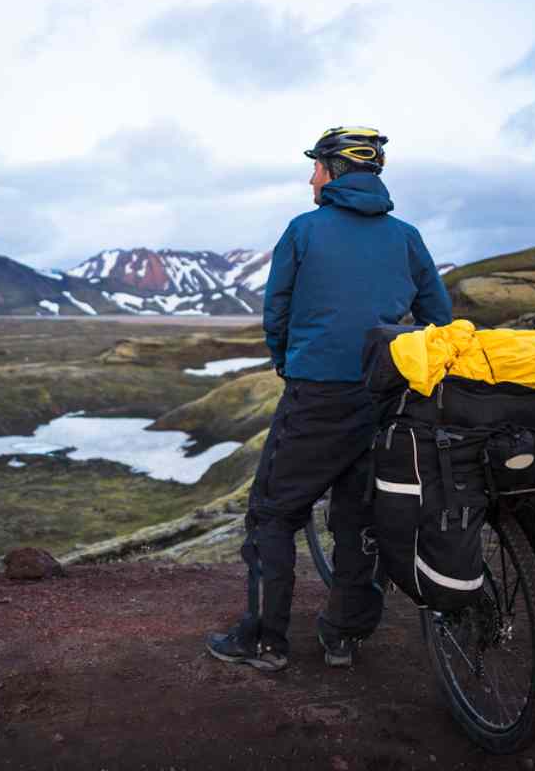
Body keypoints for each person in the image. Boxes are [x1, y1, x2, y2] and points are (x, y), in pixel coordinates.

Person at [206, 126, 453, 671]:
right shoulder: (407, 236)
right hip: (386, 398)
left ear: (337, 172)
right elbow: (441, 319)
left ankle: (265, 641)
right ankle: (344, 637)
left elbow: (278, 311)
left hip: (318, 396)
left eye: (317, 166)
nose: (311, 176)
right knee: (360, 517)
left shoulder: (303, 230)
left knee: (272, 513)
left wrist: (285, 359)